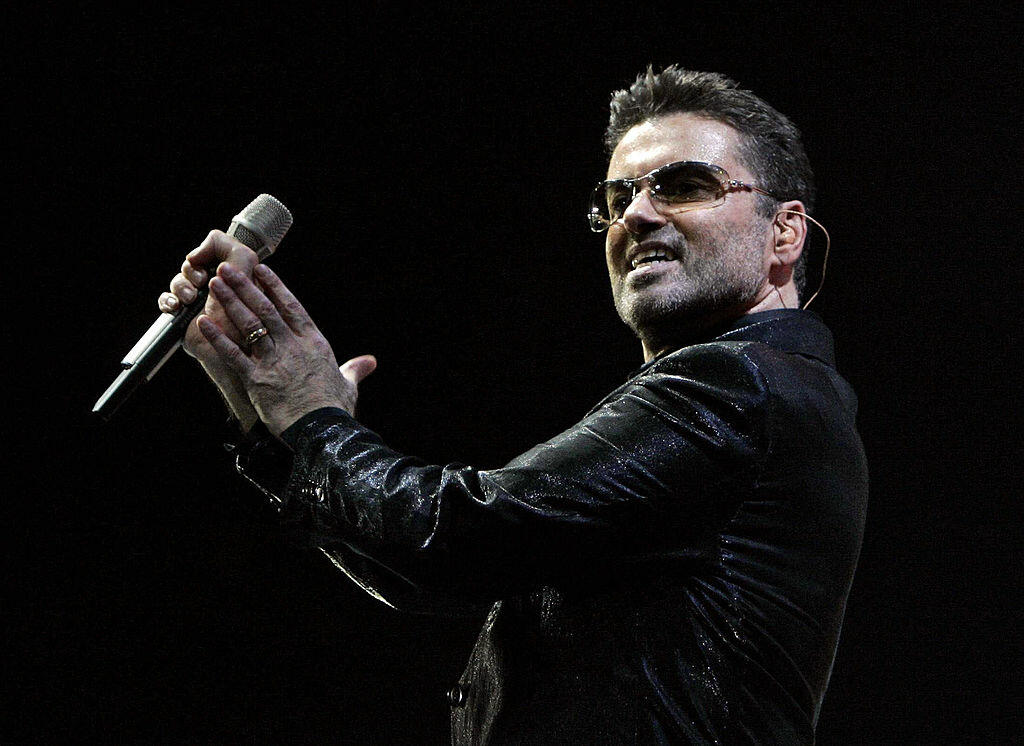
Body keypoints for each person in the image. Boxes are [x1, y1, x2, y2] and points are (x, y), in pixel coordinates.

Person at [159, 66, 868, 744]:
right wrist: (272, 426)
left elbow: (461, 536)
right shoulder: (755, 391)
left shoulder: (740, 384)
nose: (638, 216)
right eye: (618, 200)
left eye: (683, 185)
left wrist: (315, 422)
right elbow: (420, 574)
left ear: (785, 232)